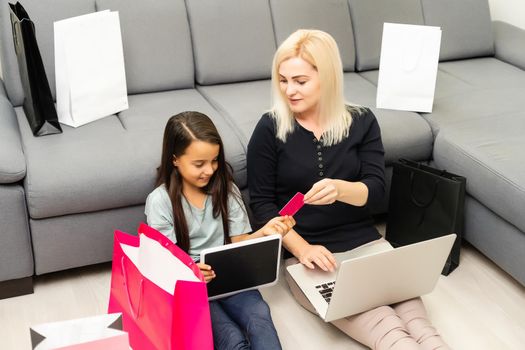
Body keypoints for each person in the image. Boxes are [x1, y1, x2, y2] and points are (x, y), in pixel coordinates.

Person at [247, 29, 450, 350]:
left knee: (424, 331)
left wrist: (341, 189)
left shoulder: (362, 121)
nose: (289, 90)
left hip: (367, 245)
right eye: (283, 80)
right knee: (391, 335)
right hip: (310, 258)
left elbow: (377, 190)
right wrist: (303, 250)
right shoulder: (269, 128)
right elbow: (262, 207)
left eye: (300, 81)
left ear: (326, 76)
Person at [145, 111, 295, 350]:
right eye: (199, 164)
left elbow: (240, 241)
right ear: (175, 159)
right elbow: (165, 260)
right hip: (191, 285)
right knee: (231, 337)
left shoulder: (227, 189)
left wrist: (265, 233)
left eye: (214, 160)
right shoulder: (160, 201)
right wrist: (191, 270)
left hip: (230, 275)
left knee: (259, 317)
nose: (210, 170)